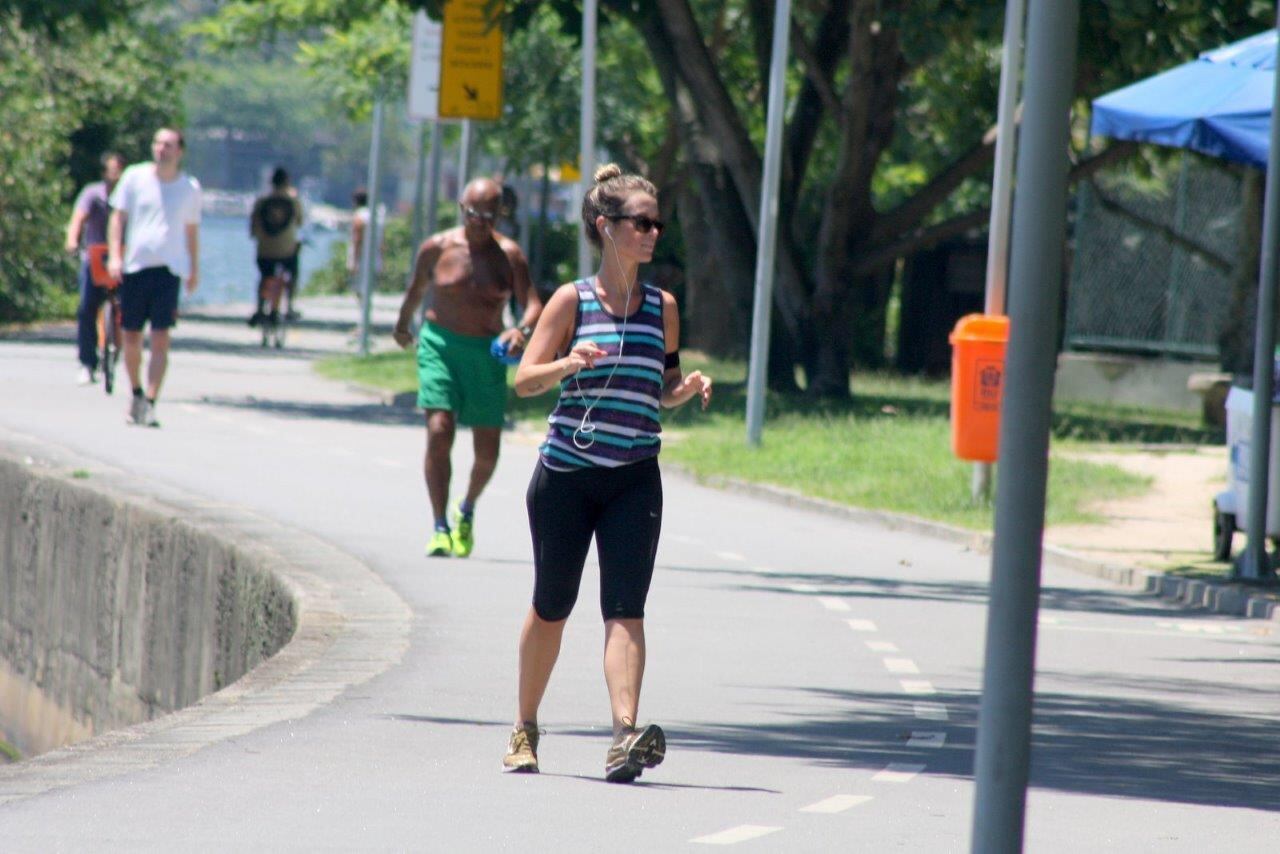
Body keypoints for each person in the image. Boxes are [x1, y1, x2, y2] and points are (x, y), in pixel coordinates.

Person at [502, 164, 712, 782]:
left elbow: (662, 385)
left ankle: (625, 735)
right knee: (553, 604)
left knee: (626, 607)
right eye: (640, 223)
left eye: (657, 224)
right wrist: (568, 362)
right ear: (605, 226)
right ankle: (525, 727)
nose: (652, 233)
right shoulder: (572, 300)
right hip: (566, 475)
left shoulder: (662, 307)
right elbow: (524, 380)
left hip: (634, 477)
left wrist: (683, 390)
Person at [392, 177, 544, 558]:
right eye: (473, 213)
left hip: (486, 353)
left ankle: (467, 507)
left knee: (487, 452)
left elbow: (533, 305)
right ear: (462, 209)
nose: (479, 222)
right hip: (439, 346)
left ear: (500, 215)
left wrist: (521, 331)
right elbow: (416, 289)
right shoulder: (437, 247)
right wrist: (402, 325)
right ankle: (439, 526)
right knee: (439, 429)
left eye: (489, 216)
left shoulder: (509, 255)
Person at [107, 127, 201, 428]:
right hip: (135, 267)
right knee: (131, 337)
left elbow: (191, 231)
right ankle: (135, 392)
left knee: (161, 338)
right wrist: (115, 255)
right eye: (158, 143)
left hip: (168, 270)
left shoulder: (189, 187)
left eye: (169, 145)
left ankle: (150, 400)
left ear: (179, 151)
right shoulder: (134, 177)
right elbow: (118, 218)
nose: (162, 149)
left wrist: (194, 269)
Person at [65, 152, 126, 385]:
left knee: (126, 308)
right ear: (103, 173)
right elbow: (78, 218)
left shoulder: (130, 195)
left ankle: (118, 348)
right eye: (112, 170)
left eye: (119, 170)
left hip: (123, 255)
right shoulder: (93, 194)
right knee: (86, 308)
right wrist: (72, 240)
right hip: (95, 256)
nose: (115, 176)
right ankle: (87, 362)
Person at [248, 166, 304, 325]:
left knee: (264, 276)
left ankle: (260, 309)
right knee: (292, 272)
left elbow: (253, 228)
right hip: (287, 252)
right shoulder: (293, 201)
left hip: (265, 251)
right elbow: (300, 222)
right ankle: (289, 306)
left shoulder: (262, 201)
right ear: (287, 182)